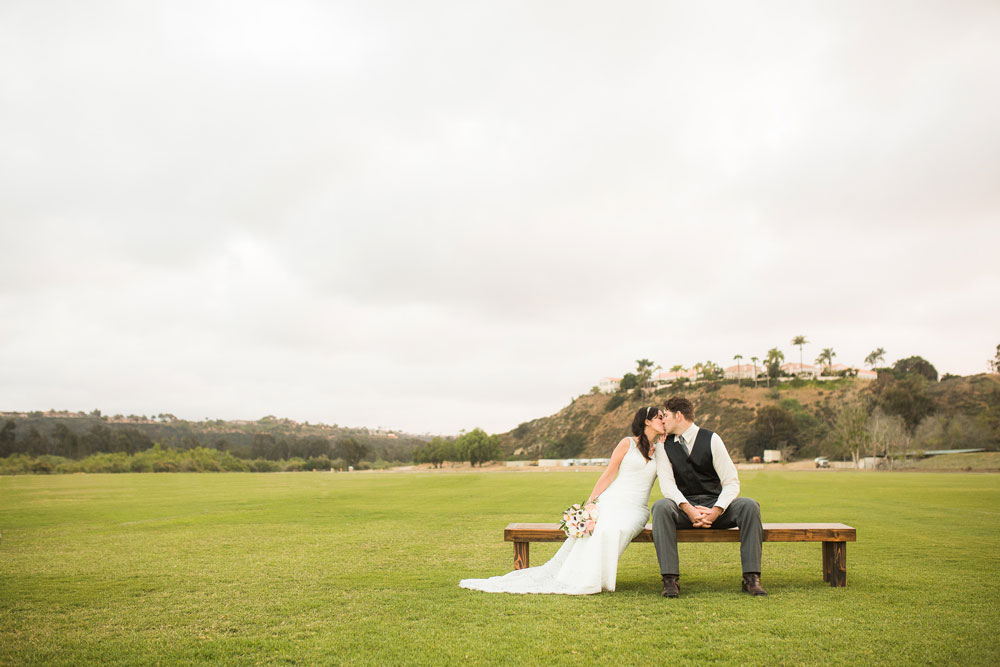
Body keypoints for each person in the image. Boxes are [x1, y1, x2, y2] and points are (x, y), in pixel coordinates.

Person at [459, 406, 664, 594]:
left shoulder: (662, 450)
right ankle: (580, 576)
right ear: (646, 421)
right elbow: (609, 474)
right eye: (659, 417)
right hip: (612, 500)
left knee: (616, 529)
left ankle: (595, 576)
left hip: (636, 508)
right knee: (601, 526)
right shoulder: (627, 443)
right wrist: (591, 502)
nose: (663, 421)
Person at [651, 396, 767, 597]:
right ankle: (670, 581)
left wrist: (716, 511)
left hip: (716, 507)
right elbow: (667, 485)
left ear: (679, 416)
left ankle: (751, 578)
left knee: (749, 506)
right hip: (684, 510)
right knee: (660, 507)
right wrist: (689, 509)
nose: (663, 421)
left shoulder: (712, 439)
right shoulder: (663, 446)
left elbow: (731, 482)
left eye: (666, 415)